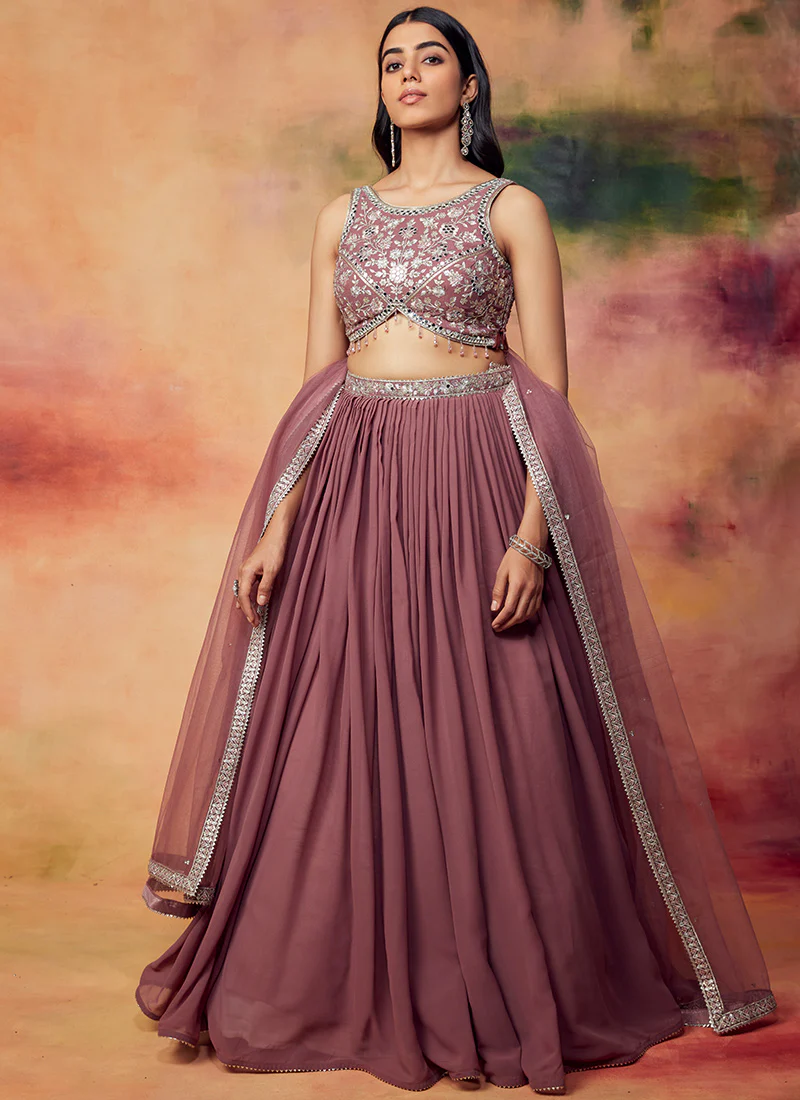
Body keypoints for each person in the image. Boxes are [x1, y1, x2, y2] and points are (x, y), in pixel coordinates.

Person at [135, 7, 777, 1095]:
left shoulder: (510, 208)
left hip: (477, 474)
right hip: (355, 482)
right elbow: (315, 387)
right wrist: (280, 520)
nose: (408, 74)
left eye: (429, 57)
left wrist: (531, 536)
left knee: (499, 723)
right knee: (345, 719)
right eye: (391, 61)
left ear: (468, 84)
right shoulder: (341, 216)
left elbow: (554, 393)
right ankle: (346, 976)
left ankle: (501, 975)